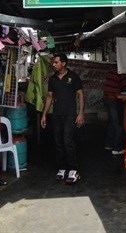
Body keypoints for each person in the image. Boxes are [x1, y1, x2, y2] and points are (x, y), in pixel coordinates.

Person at [40, 53, 84, 184]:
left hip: (70, 114)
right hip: (57, 114)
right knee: (58, 141)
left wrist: (81, 113)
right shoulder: (52, 79)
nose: (53, 65)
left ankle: (73, 170)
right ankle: (62, 168)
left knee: (67, 141)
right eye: (53, 62)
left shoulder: (73, 76)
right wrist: (44, 114)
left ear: (63, 63)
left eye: (56, 62)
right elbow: (49, 96)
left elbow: (80, 94)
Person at [103, 66, 126, 155]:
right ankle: (117, 149)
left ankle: (109, 144)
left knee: (112, 123)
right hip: (113, 99)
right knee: (118, 124)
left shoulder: (111, 69)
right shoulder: (120, 71)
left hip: (107, 99)